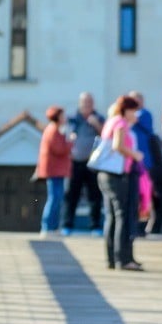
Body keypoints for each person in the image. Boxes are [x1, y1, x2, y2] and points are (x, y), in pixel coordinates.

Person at [97, 95, 144, 271]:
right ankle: (122, 259)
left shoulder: (111, 121)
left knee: (111, 216)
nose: (136, 114)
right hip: (116, 175)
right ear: (127, 110)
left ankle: (112, 258)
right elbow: (118, 145)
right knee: (122, 215)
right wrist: (135, 155)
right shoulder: (121, 123)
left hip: (105, 174)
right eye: (134, 110)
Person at [62, 92, 104, 235]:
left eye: (90, 102)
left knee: (95, 196)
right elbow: (65, 135)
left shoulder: (99, 118)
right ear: (80, 103)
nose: (87, 105)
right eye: (85, 102)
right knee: (72, 195)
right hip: (76, 162)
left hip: (93, 163)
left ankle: (95, 226)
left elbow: (106, 135)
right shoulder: (73, 119)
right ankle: (67, 225)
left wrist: (96, 124)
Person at [36, 106, 72, 236]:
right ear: (57, 117)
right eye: (63, 115)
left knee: (57, 199)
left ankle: (54, 228)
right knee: (54, 199)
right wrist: (70, 141)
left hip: (58, 170)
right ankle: (47, 227)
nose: (65, 118)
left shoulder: (56, 130)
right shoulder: (52, 130)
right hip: (54, 170)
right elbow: (59, 150)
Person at [128, 91, 154, 236]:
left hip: (143, 162)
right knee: (133, 195)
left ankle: (142, 226)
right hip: (130, 161)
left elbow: (148, 130)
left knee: (144, 194)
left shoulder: (145, 114)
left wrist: (135, 118)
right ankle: (134, 226)